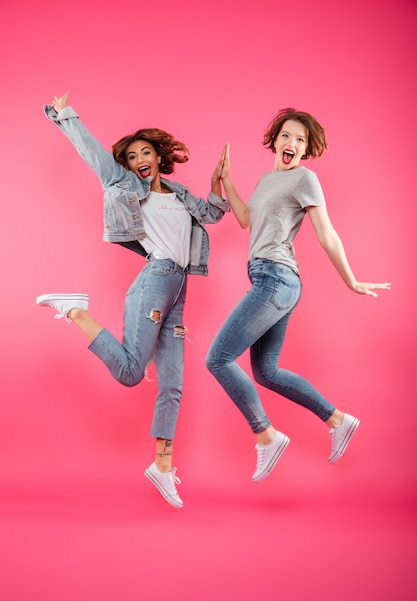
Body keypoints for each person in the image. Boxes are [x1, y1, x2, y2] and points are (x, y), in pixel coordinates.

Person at [37, 92, 229, 508]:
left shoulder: (179, 195)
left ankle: (162, 466)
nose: (140, 158)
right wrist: (64, 115)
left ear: (159, 158)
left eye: (146, 152)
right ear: (127, 165)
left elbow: (213, 214)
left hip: (178, 288)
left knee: (173, 385)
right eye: (131, 155)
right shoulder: (123, 184)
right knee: (129, 372)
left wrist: (217, 183)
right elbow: (92, 153)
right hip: (156, 279)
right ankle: (74, 309)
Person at [206, 108, 391, 483]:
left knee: (218, 359)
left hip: (276, 279)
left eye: (301, 140)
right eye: (287, 136)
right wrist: (226, 180)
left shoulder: (305, 178)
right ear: (275, 140)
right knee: (266, 372)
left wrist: (351, 281)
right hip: (269, 279)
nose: (292, 143)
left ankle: (266, 436)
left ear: (307, 149)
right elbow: (246, 220)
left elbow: (327, 234)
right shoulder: (266, 180)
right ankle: (338, 420)